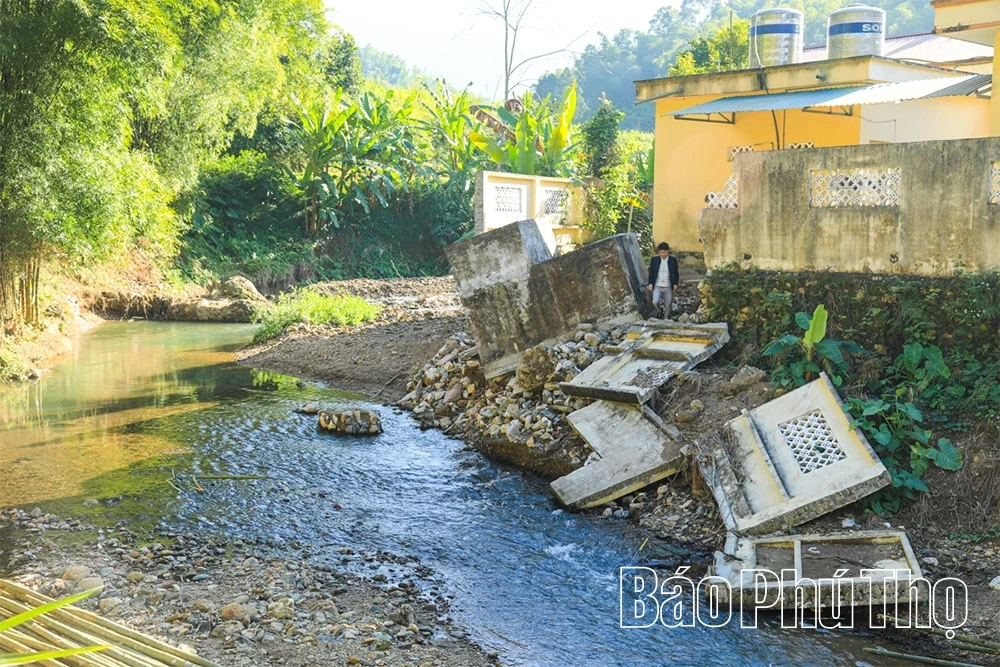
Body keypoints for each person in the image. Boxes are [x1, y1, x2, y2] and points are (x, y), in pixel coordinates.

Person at [646, 242, 679, 319]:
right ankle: (659, 310)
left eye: (665, 252)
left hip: (668, 285)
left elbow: (676, 273)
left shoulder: (673, 260)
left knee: (668, 305)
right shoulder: (654, 260)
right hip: (657, 285)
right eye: (661, 252)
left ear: (668, 252)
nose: (663, 254)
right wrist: (650, 283)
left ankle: (666, 320)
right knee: (655, 301)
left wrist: (675, 284)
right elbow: (651, 273)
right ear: (659, 252)